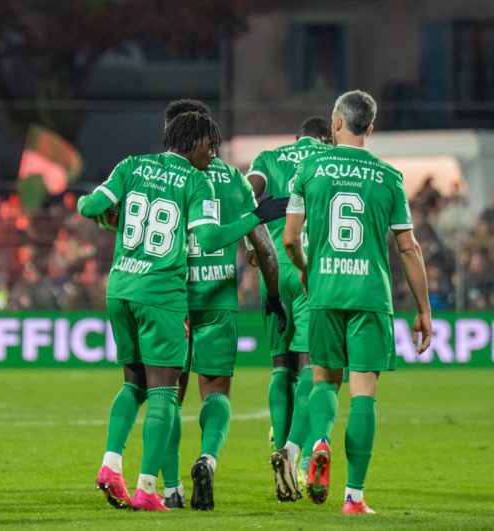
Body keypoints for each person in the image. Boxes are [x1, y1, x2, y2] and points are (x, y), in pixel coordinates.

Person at [78, 111, 288, 512]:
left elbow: (91, 207)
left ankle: (157, 481)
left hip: (123, 287)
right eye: (210, 145)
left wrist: (112, 220)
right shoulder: (210, 180)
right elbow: (217, 238)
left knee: (136, 385)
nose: (213, 152)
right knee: (187, 392)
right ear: (193, 141)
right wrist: (257, 219)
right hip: (183, 297)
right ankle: (162, 480)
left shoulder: (132, 165)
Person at [282, 90, 432, 514]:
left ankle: (320, 442)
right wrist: (423, 309)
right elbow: (409, 248)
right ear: (370, 128)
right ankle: (354, 497)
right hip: (370, 295)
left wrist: (307, 270)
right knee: (364, 391)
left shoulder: (309, 167)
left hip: (325, 291)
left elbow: (291, 239)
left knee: (324, 380)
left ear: (335, 122)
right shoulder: (389, 177)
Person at [156, 100, 283, 511]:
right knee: (217, 392)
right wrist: (274, 295)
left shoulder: (159, 178)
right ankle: (207, 458)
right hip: (219, 300)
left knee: (168, 396)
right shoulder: (233, 179)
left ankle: (171, 488)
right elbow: (263, 246)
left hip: (172, 299)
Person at [245, 116, 335, 502]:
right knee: (314, 368)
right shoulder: (331, 160)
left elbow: (243, 193)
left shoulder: (268, 157)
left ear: (296, 136)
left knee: (281, 367)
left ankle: (279, 448)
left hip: (274, 269)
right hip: (311, 270)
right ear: (325, 137)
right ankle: (294, 453)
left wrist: (253, 242)